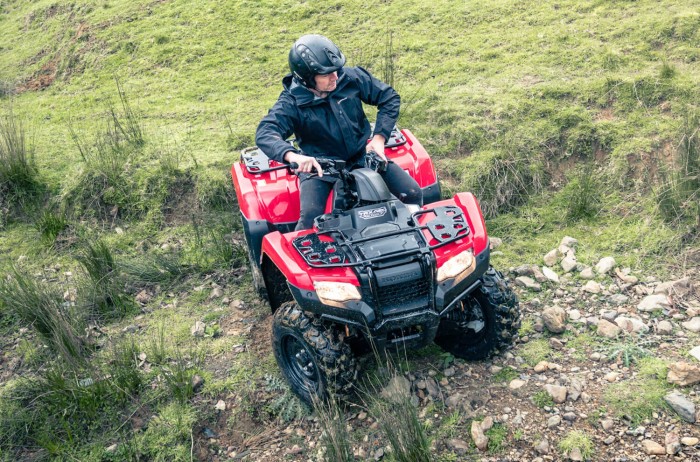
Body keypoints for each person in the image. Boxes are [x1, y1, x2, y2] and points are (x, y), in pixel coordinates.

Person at [255, 34, 423, 230]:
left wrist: (379, 138)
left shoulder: (349, 78)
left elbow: (389, 97)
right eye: (326, 74)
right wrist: (293, 157)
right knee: (309, 220)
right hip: (320, 167)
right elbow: (265, 132)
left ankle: (416, 234)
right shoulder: (290, 103)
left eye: (335, 70)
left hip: (363, 155)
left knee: (413, 193)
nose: (335, 77)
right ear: (307, 78)